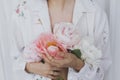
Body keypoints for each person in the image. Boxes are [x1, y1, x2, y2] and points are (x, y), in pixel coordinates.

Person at [10, 0, 111, 80]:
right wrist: (30, 67)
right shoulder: (23, 12)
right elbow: (13, 61)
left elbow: (102, 70)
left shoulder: (95, 13)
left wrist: (77, 64)